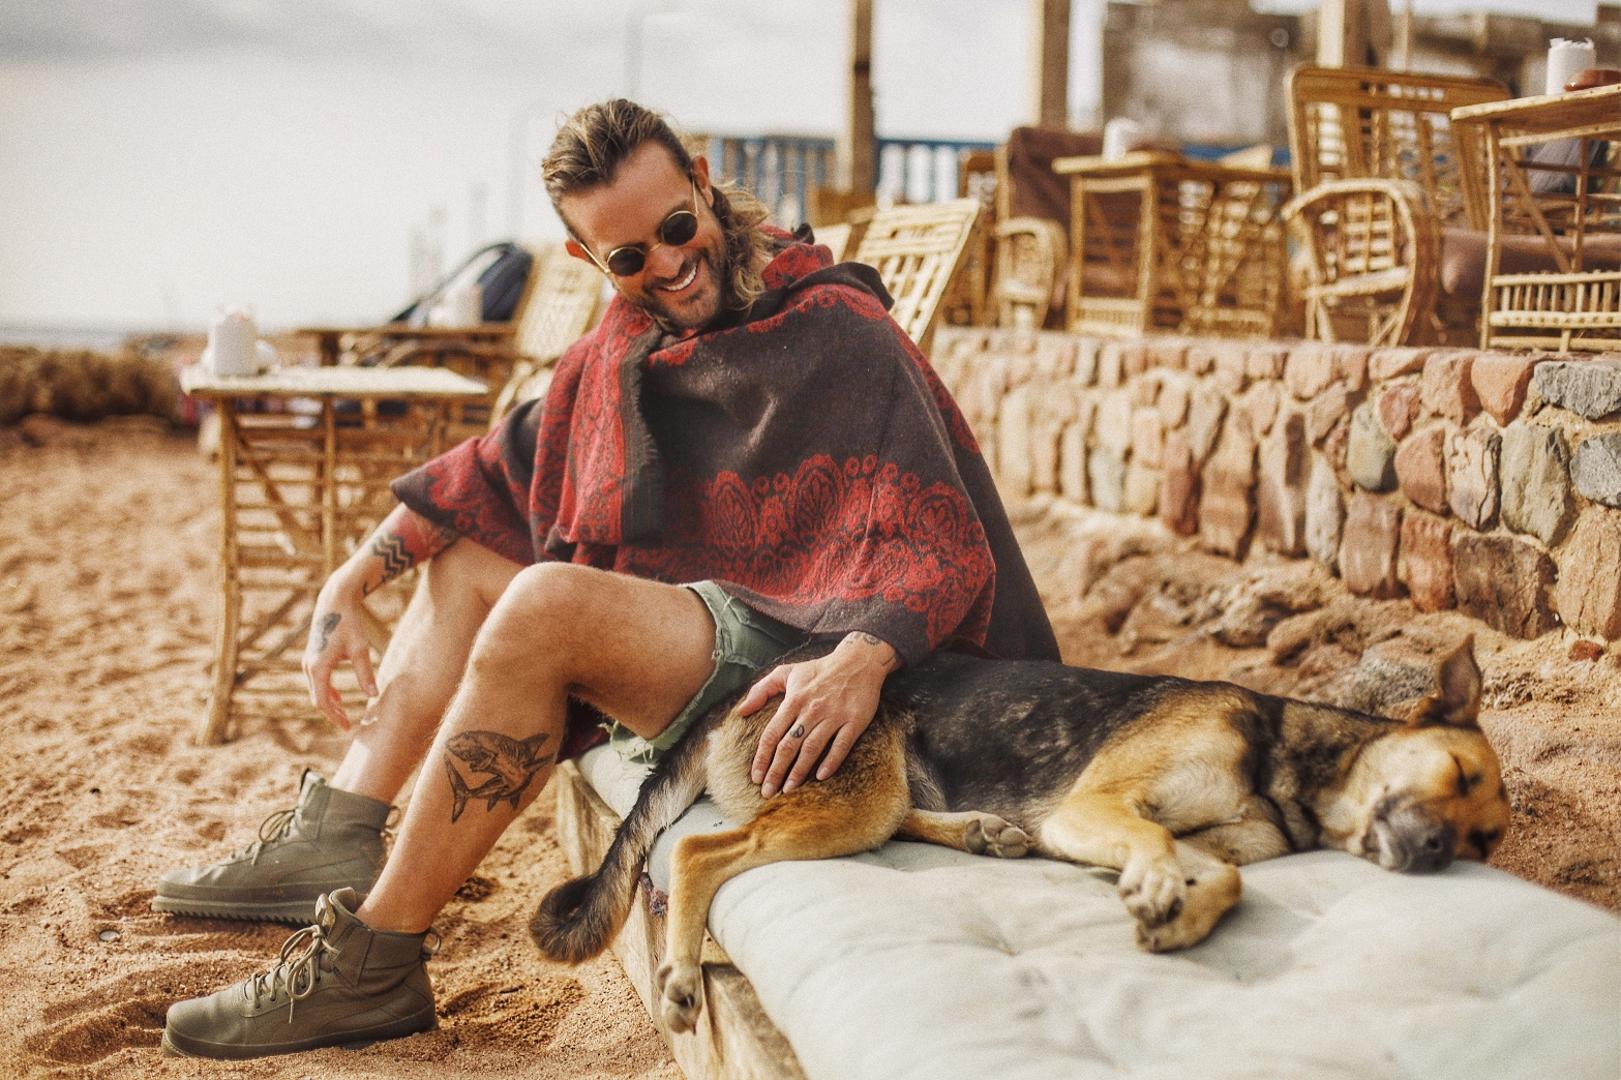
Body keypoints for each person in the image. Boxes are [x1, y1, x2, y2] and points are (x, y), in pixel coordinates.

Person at [159, 98, 1059, 1060]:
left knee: (546, 603)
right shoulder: (628, 343)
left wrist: (864, 657)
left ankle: (374, 959)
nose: (666, 265)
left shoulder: (836, 328)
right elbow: (500, 462)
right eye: (629, 255)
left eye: (676, 227)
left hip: (830, 651)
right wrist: (348, 578)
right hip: (731, 620)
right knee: (465, 558)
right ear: (590, 259)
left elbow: (944, 534)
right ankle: (341, 827)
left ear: (701, 183)